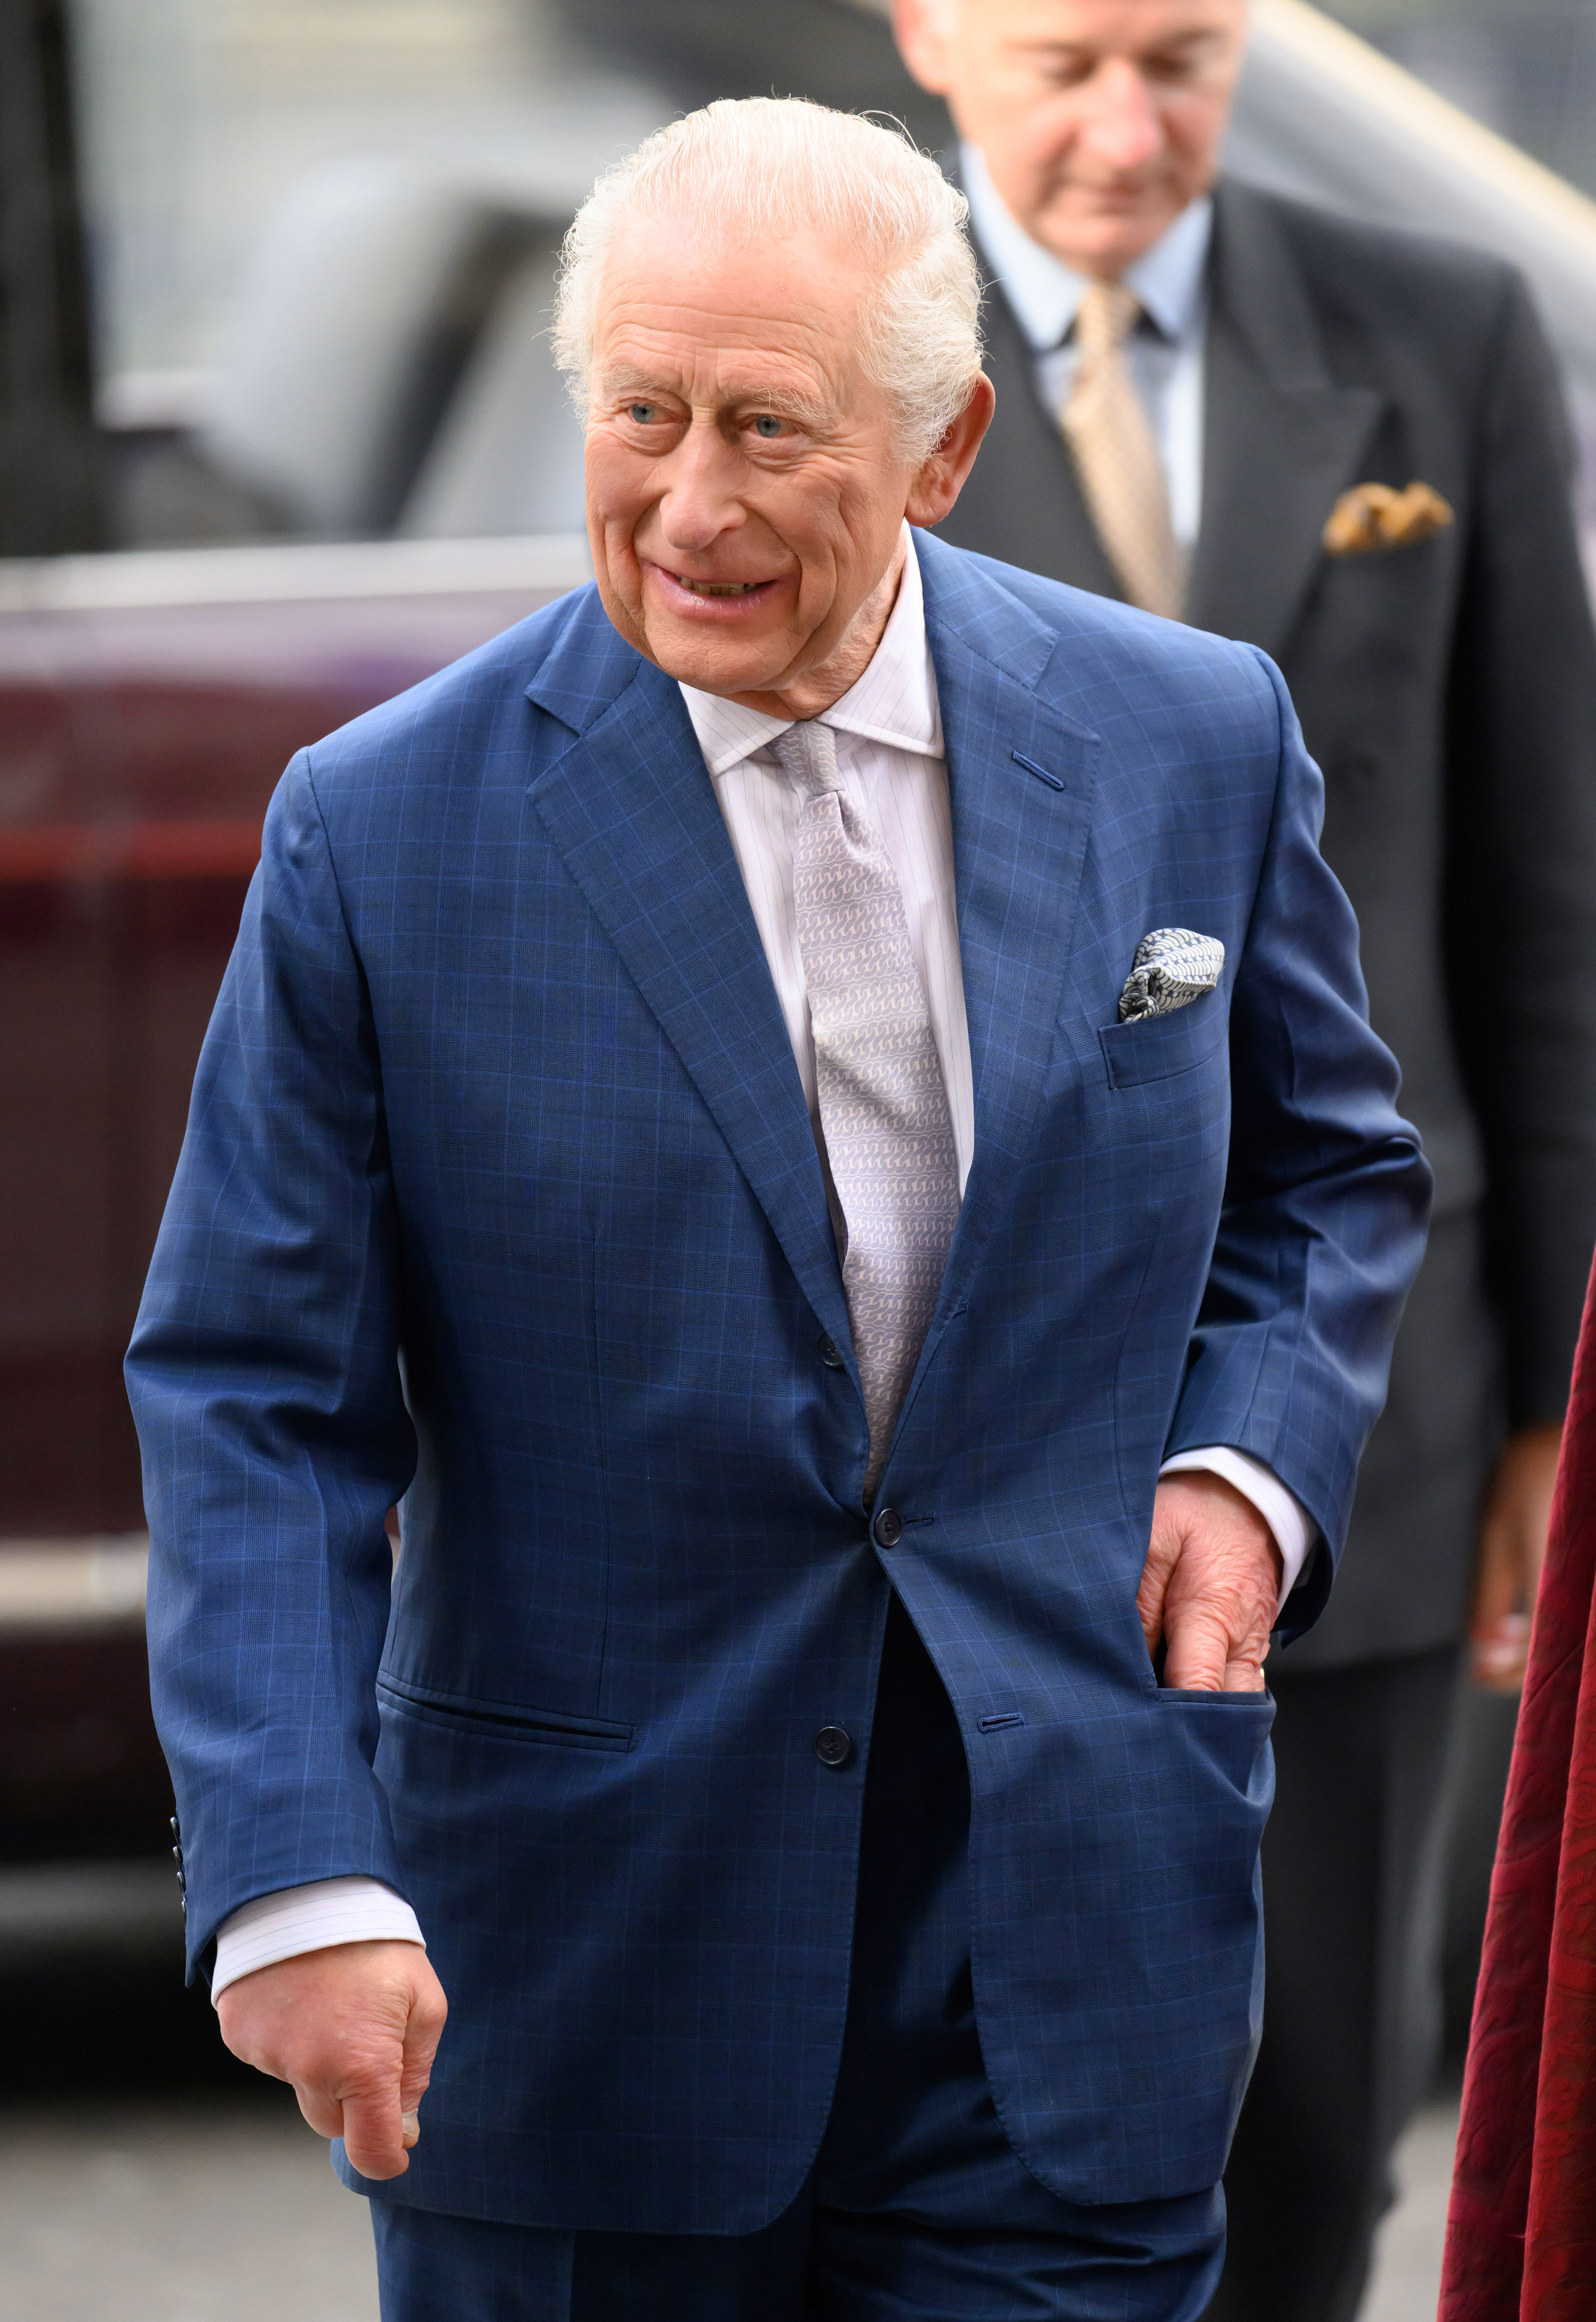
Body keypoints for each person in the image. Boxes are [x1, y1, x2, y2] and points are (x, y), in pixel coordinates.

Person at [128, 99, 1429, 2322]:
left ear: (940, 451)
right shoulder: (381, 828)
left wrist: (1244, 1466)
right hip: (575, 1981)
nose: (691, 503)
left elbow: (1323, 1170)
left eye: (769, 427)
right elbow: (259, 1395)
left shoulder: (1185, 734)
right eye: (639, 414)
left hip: (1062, 1947)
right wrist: (295, 1876)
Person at [890, 3, 1596, 2314]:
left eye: (1183, 59)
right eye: (1065, 58)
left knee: (1311, 2126)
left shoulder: (1442, 322)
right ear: (924, 27)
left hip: (1371, 1397)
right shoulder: (829, 328)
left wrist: (1534, 1418)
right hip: (956, 1396)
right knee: (965, 2132)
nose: (1126, 130)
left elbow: (1543, 897)